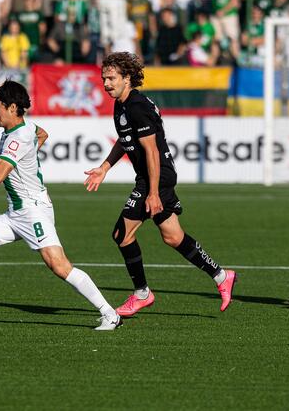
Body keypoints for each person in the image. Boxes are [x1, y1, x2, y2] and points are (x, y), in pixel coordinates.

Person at [0, 80, 122, 331]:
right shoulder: (25, 129)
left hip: (33, 212)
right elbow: (42, 134)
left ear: (13, 107)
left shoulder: (18, 138)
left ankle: (109, 313)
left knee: (59, 265)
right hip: (15, 213)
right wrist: (30, 156)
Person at [84, 52, 237, 317]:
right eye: (104, 78)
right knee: (173, 237)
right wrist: (105, 167)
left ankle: (142, 294)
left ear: (127, 78)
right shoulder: (122, 104)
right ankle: (222, 276)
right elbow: (124, 139)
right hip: (154, 177)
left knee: (122, 234)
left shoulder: (136, 106)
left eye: (111, 78)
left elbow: (152, 152)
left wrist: (153, 193)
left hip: (155, 178)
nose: (106, 83)